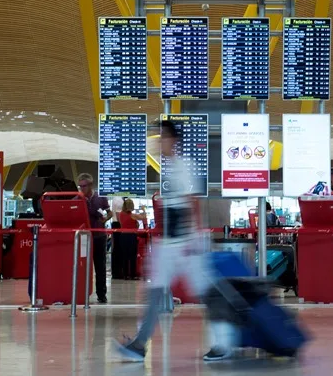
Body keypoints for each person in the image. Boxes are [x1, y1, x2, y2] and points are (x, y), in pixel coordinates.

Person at [117, 120, 226, 362]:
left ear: (173, 140)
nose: (159, 143)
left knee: (204, 293)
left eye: (162, 137)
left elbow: (192, 202)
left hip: (186, 243)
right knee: (155, 292)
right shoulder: (169, 168)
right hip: (169, 243)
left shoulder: (184, 166)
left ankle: (222, 343)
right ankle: (139, 344)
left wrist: (193, 239)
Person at [77, 173, 112, 303]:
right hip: (84, 237)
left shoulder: (101, 197)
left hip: (99, 236)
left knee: (100, 266)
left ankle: (101, 294)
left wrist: (104, 220)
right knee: (82, 266)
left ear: (90, 185)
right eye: (80, 186)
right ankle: (82, 293)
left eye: (84, 186)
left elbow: (110, 213)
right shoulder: (77, 198)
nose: (82, 189)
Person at [118, 198, 146, 280]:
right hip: (131, 236)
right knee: (132, 256)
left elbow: (122, 224)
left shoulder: (120, 214)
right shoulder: (133, 215)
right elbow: (143, 217)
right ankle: (133, 275)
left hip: (123, 236)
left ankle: (125, 275)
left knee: (125, 256)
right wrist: (143, 209)